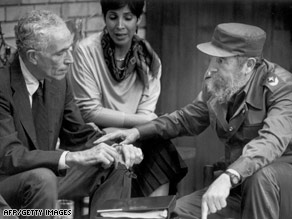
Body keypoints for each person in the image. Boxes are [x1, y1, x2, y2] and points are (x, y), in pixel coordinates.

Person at [95, 22, 292, 219]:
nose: (212, 68)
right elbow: (187, 118)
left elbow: (271, 141)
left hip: (278, 186)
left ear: (249, 65)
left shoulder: (282, 88)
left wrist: (230, 176)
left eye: (221, 61)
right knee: (178, 212)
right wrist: (137, 131)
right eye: (211, 60)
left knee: (260, 177)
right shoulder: (221, 83)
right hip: (237, 183)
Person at [0, 9, 144, 219]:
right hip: (7, 184)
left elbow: (78, 134)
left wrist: (119, 148)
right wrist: (71, 157)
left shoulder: (58, 81)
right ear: (33, 56)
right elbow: (9, 156)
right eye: (60, 53)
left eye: (69, 49)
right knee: (43, 178)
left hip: (48, 178)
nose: (70, 60)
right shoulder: (2, 86)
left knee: (115, 162)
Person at [69, 0, 187, 197]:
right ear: (105, 18)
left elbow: (145, 114)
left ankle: (152, 214)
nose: (120, 26)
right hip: (97, 135)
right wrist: (147, 122)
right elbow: (89, 111)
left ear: (138, 20)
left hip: (134, 136)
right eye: (113, 17)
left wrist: (136, 130)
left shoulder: (150, 59)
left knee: (161, 150)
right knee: (144, 150)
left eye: (128, 18)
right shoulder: (86, 51)